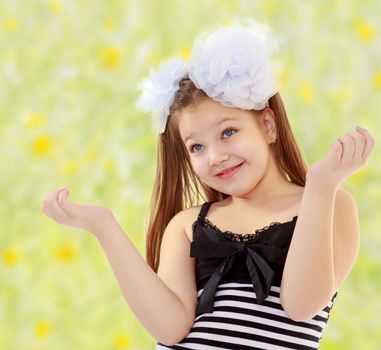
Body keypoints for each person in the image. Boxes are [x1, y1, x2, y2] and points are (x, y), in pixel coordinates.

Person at [41, 18, 375, 349]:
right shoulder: (188, 225)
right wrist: (104, 226)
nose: (214, 156)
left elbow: (302, 306)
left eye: (228, 132)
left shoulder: (327, 203)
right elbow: (169, 328)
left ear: (268, 126)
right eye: (197, 147)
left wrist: (320, 186)